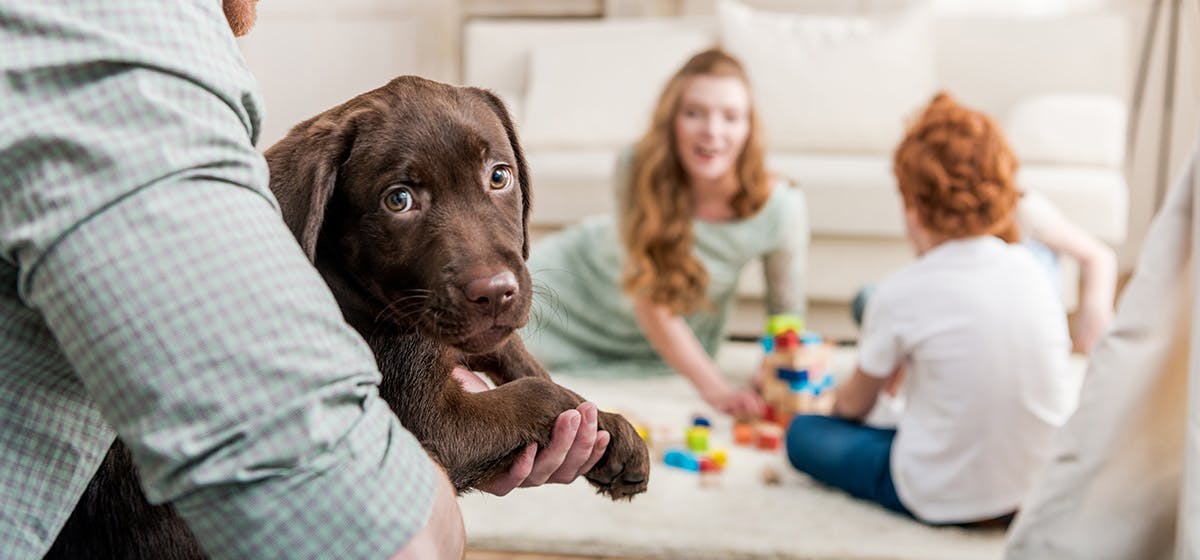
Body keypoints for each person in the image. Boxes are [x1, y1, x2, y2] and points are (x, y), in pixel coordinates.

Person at [0, 1, 603, 558]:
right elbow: (375, 527)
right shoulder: (123, 45)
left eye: (499, 178)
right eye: (400, 198)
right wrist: (437, 460)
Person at [785, 92, 1079, 526]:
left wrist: (825, 405)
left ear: (914, 210)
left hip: (939, 495)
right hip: (1035, 489)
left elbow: (854, 407)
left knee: (803, 435)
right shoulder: (1035, 267)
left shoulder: (901, 292)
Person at [521, 49, 809, 418]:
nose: (712, 131)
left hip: (663, 335)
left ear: (750, 128)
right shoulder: (636, 165)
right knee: (490, 332)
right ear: (672, 119)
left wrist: (772, 367)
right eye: (694, 113)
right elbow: (649, 298)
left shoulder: (781, 206)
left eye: (731, 117)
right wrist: (718, 391)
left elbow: (785, 312)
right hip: (581, 279)